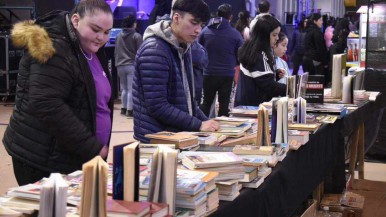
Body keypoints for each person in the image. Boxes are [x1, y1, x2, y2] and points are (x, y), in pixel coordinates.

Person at [3, 0, 114, 185]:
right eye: (95, 30)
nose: (101, 37)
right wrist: (91, 146)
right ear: (76, 20)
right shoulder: (53, 47)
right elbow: (47, 104)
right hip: (42, 160)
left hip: (73, 157)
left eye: (106, 32)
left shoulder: (89, 47)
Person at [133, 0, 219, 143]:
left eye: (201, 25)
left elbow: (187, 102)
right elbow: (158, 106)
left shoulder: (182, 46)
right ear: (177, 18)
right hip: (157, 140)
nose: (198, 30)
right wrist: (198, 124)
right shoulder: (155, 50)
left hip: (176, 137)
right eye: (194, 22)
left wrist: (208, 122)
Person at [199, 3, 243, 117]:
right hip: (228, 75)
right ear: (231, 17)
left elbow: (198, 50)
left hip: (207, 74)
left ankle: (200, 129)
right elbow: (240, 56)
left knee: (205, 104)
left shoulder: (205, 31)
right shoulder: (236, 34)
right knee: (225, 108)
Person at [235, 15, 286, 107]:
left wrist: (274, 74)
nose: (277, 38)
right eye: (274, 35)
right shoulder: (259, 54)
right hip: (253, 107)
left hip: (246, 105)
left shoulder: (253, 49)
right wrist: (291, 89)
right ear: (264, 35)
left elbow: (259, 78)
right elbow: (268, 85)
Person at [115, 14, 143, 117]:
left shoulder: (118, 35)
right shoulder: (137, 36)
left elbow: (116, 51)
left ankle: (123, 108)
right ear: (133, 24)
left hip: (120, 64)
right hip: (131, 65)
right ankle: (130, 110)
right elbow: (140, 52)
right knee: (131, 89)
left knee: (123, 88)